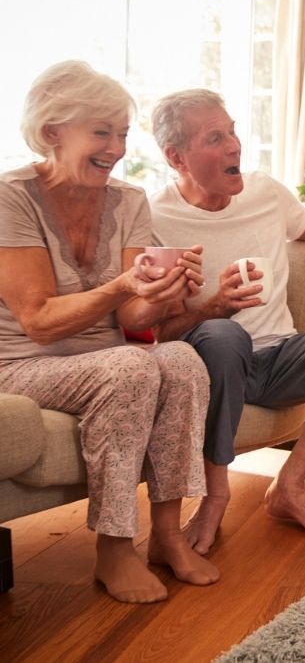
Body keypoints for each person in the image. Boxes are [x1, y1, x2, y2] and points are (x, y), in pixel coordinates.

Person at [147, 89, 305, 554]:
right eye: (215, 137)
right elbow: (157, 332)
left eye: (233, 131)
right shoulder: (156, 218)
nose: (234, 145)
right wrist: (213, 308)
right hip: (215, 364)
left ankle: (289, 483)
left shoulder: (264, 191)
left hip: (281, 358)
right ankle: (215, 494)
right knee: (224, 335)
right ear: (175, 157)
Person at [0, 60, 218, 603]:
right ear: (53, 131)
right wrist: (125, 283)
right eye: (101, 132)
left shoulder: (128, 200)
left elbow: (131, 321)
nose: (117, 147)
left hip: (106, 360)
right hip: (24, 363)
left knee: (181, 359)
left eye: (122, 133)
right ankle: (115, 545)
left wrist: (163, 291)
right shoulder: (10, 198)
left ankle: (167, 536)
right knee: (131, 364)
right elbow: (39, 321)